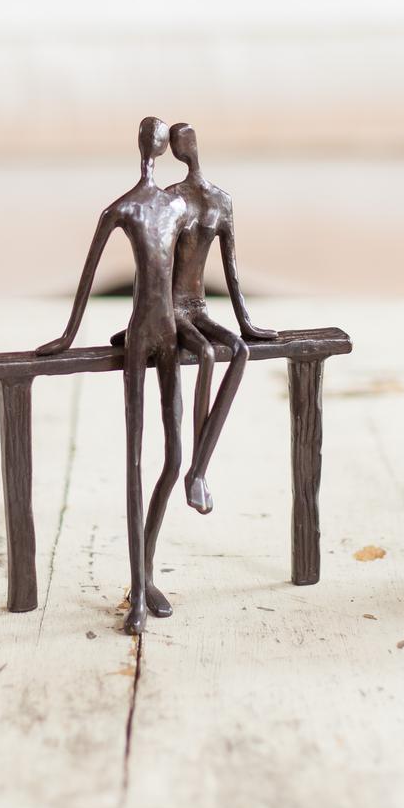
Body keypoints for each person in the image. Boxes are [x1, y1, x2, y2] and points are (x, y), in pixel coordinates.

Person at [36, 117, 189, 635]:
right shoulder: (123, 208)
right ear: (147, 146)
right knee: (136, 462)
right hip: (142, 333)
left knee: (174, 459)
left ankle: (146, 574)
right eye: (154, 138)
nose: (158, 145)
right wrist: (67, 335)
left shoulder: (177, 206)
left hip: (172, 332)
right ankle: (138, 594)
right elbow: (89, 277)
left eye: (161, 138)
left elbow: (187, 279)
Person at [115, 123, 276, 514]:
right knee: (204, 355)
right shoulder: (171, 201)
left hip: (198, 306)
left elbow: (232, 271)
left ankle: (199, 469)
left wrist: (247, 323)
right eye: (176, 142)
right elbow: (151, 265)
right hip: (170, 308)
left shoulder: (221, 201)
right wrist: (140, 316)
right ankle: (195, 473)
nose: (182, 147)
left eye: (185, 139)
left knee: (239, 351)